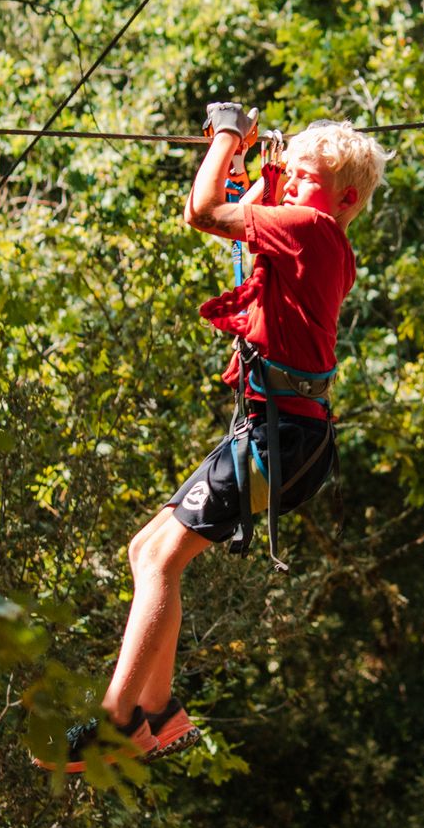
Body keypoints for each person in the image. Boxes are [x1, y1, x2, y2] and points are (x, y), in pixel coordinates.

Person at [36, 107, 389, 774]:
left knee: (160, 564)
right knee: (146, 550)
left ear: (344, 198)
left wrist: (230, 136)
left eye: (306, 180)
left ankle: (118, 725)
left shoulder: (312, 230)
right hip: (281, 434)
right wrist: (272, 169)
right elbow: (243, 223)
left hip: (280, 438)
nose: (290, 190)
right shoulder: (310, 236)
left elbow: (202, 213)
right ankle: (160, 712)